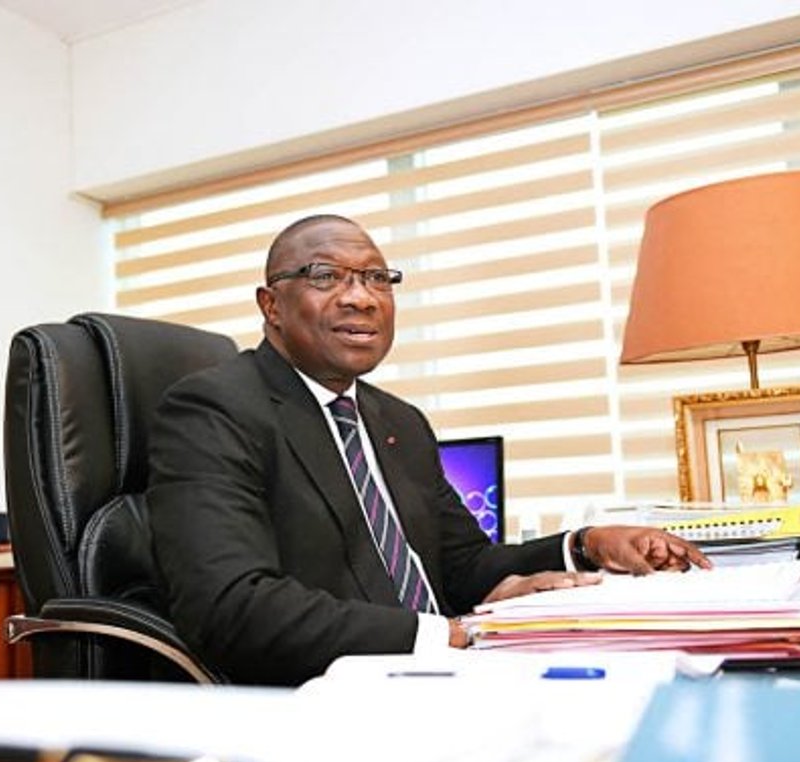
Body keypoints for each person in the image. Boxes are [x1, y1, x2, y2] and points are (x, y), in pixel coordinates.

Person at [147, 214, 708, 686]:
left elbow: (462, 566)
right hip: (334, 694)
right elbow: (233, 607)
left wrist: (584, 545)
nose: (360, 298)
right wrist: (442, 634)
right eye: (326, 277)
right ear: (271, 304)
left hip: (447, 672)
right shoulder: (214, 408)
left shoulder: (397, 420)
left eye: (376, 278)